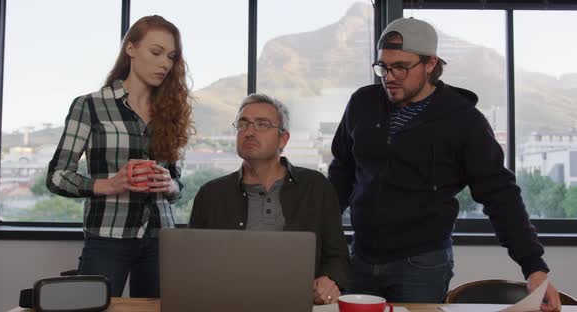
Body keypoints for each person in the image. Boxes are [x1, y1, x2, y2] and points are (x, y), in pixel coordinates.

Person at [328, 17, 561, 311]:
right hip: (360, 256)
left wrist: (533, 266)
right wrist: (321, 240)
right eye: (383, 66)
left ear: (430, 64)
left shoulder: (463, 120)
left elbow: (499, 193)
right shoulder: (362, 102)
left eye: (401, 66)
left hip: (421, 264)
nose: (389, 76)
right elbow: (341, 173)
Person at [46, 15, 193, 298]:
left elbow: (177, 186)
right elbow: (56, 177)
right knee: (91, 307)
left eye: (171, 56)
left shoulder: (171, 111)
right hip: (107, 238)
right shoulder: (90, 106)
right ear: (131, 49)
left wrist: (170, 185)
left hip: (161, 239)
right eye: (156, 52)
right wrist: (109, 185)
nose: (165, 63)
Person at [188, 94, 349, 305]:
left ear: (283, 139)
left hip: (300, 303)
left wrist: (329, 280)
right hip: (228, 303)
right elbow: (191, 262)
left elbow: (338, 256)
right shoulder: (210, 194)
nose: (249, 132)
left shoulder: (316, 187)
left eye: (262, 124)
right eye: (243, 124)